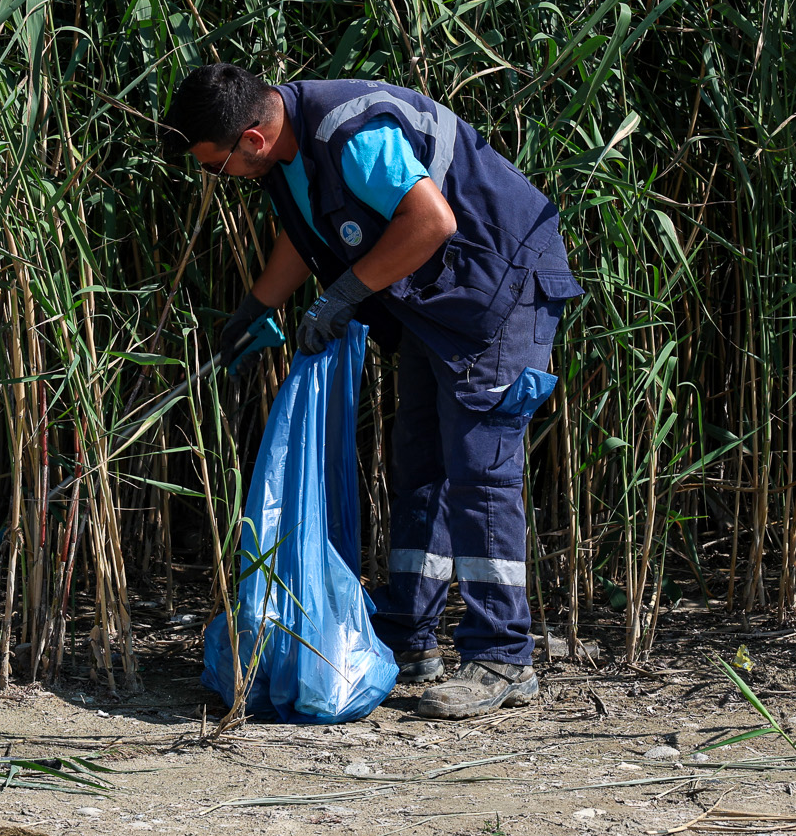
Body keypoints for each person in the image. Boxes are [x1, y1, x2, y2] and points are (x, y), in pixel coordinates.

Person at [159, 64, 583, 719]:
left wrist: (345, 295)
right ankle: (408, 637)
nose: (221, 180)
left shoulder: (348, 133)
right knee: (418, 464)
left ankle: (502, 654)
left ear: (252, 138)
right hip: (437, 305)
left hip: (498, 286)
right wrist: (253, 309)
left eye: (217, 167)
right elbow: (304, 237)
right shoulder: (287, 158)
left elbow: (430, 221)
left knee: (479, 471)